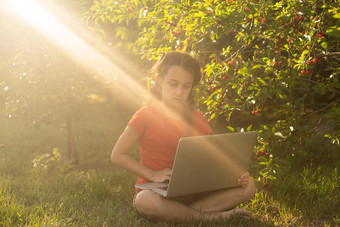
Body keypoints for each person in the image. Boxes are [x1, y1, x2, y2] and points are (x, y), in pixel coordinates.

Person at [111, 52, 255, 223]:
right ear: (160, 79)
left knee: (249, 186)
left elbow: (216, 156)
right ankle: (212, 217)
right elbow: (117, 155)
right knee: (144, 201)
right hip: (157, 192)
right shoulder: (145, 115)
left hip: (195, 191)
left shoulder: (197, 118)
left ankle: (184, 214)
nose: (179, 92)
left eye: (186, 86)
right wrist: (153, 174)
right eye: (173, 84)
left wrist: (234, 174)